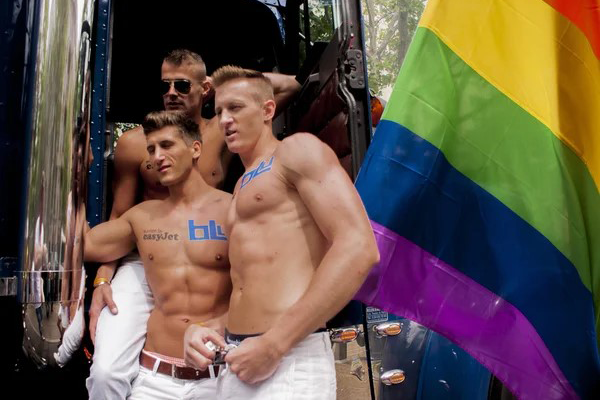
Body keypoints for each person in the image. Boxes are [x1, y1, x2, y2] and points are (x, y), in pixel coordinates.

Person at [87, 49, 300, 399]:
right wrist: (102, 279)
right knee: (106, 371)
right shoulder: (134, 143)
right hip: (146, 254)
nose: (172, 92)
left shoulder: (221, 129)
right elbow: (117, 218)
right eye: (166, 85)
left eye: (183, 85)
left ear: (203, 89)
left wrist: (222, 82)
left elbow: (288, 87)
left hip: (207, 244)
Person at [183, 66, 380, 399]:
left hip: (289, 357)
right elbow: (260, 291)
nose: (225, 120)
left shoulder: (295, 151)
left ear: (267, 110)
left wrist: (276, 343)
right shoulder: (241, 186)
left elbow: (359, 247)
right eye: (218, 112)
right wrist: (207, 329)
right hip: (242, 359)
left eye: (235, 107)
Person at [84, 111, 231, 399]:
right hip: (154, 381)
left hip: (219, 379)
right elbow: (82, 245)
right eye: (151, 149)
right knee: (103, 373)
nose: (157, 157)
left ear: (196, 149)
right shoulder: (142, 218)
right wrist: (78, 169)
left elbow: (260, 287)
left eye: (167, 145)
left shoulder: (232, 210)